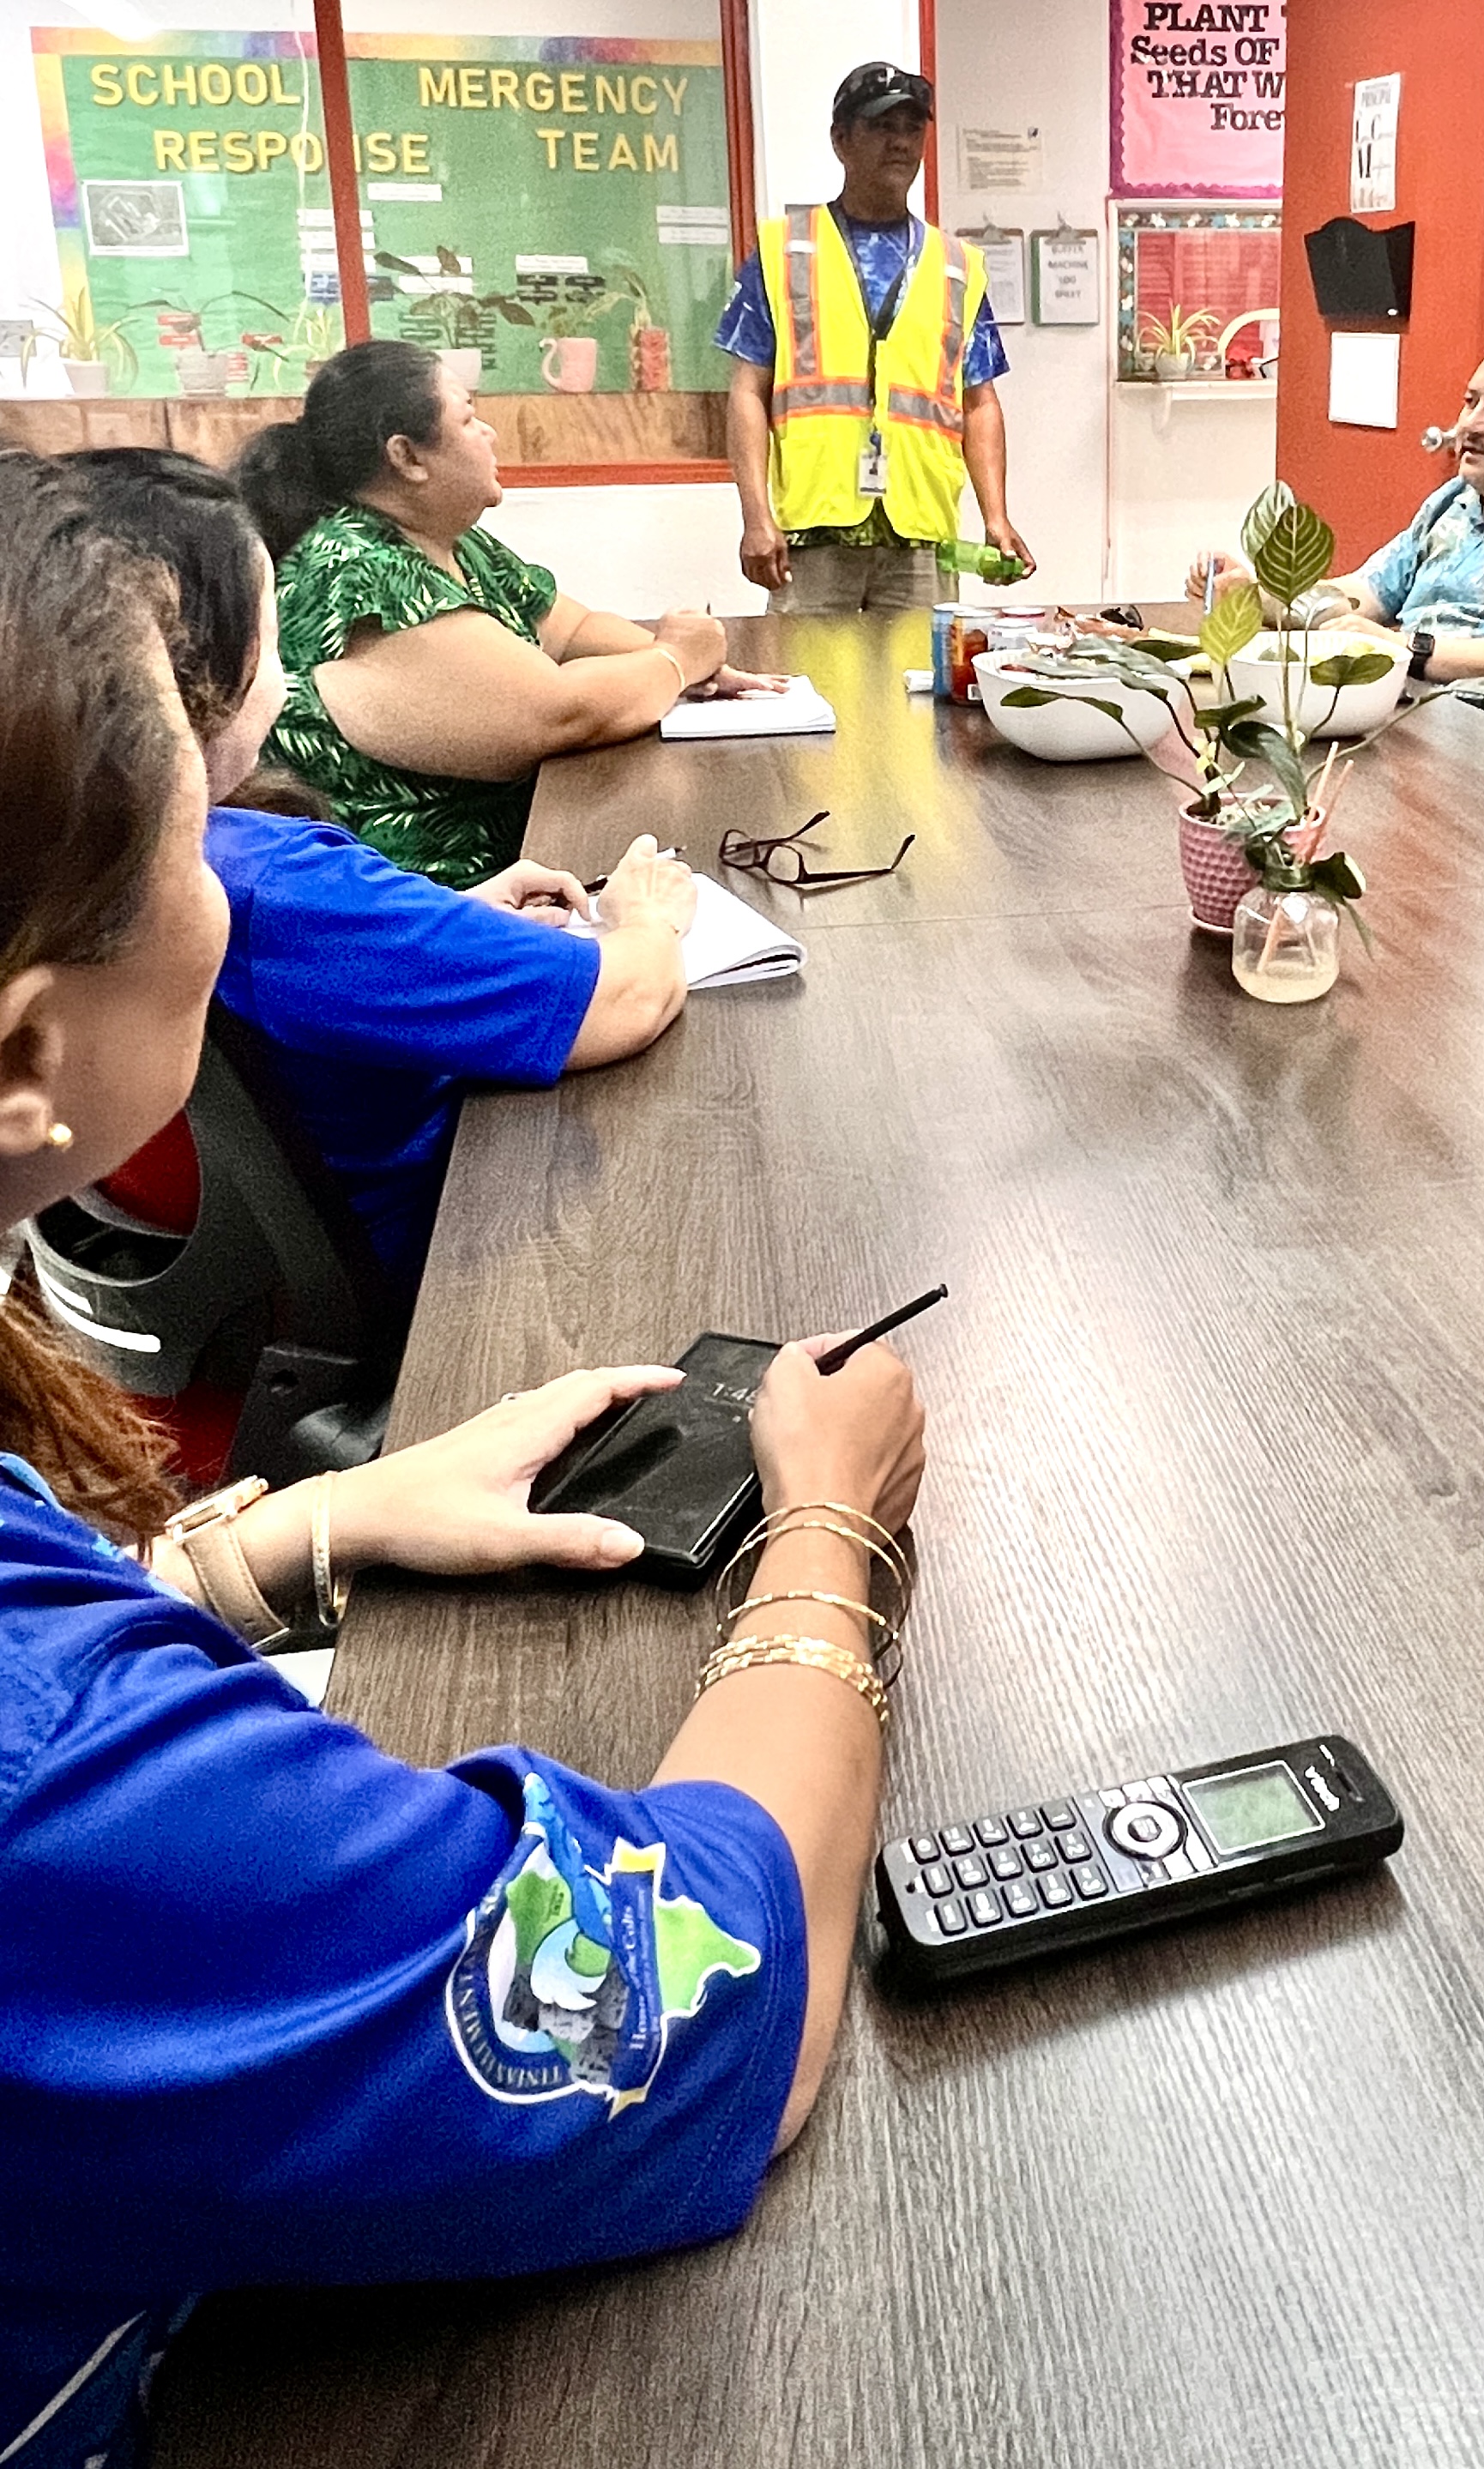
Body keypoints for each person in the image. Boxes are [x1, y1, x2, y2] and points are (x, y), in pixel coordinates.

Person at [0, 448, 925, 2469]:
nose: (229, 868)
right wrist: (828, 1533)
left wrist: (275, 1544)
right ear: (20, 1053)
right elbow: (687, 1989)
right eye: (190, 820)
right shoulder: (51, 1784)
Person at [66, 447, 697, 1297]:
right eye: (275, 636)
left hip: (218, 1271)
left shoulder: (90, 844)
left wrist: (443, 918)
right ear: (207, 673)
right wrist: (642, 916)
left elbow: (306, 974)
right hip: (435, 1259)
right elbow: (625, 999)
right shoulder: (272, 886)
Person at [234, 341, 775, 889]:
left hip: (519, 872)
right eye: (468, 418)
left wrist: (687, 666)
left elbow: (573, 630)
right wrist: (676, 660)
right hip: (423, 911)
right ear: (407, 457)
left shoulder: (456, 544)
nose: (489, 433)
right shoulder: (360, 571)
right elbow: (558, 713)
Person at [718, 59, 1033, 613]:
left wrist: (996, 516)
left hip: (921, 538)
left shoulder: (959, 265)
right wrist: (755, 517)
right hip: (812, 538)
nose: (901, 143)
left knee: (921, 695)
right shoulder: (784, 251)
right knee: (811, 690)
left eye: (913, 129)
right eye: (883, 127)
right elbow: (748, 391)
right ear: (842, 140)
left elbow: (980, 402)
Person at [1191, 341, 1484, 689]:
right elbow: (1367, 596)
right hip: (1412, 703)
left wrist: (1411, 650)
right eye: (1470, 401)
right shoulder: (1455, 499)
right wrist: (1261, 595)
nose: (1470, 425)